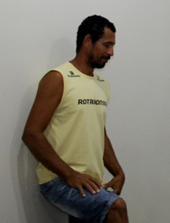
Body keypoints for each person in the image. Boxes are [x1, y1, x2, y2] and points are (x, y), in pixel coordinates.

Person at [22, 15, 128, 223]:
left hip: (90, 182)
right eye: (107, 45)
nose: (111, 53)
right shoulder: (58, 78)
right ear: (87, 40)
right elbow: (31, 134)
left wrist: (118, 172)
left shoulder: (102, 84)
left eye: (112, 46)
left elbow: (99, 133)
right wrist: (70, 174)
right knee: (116, 207)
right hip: (58, 180)